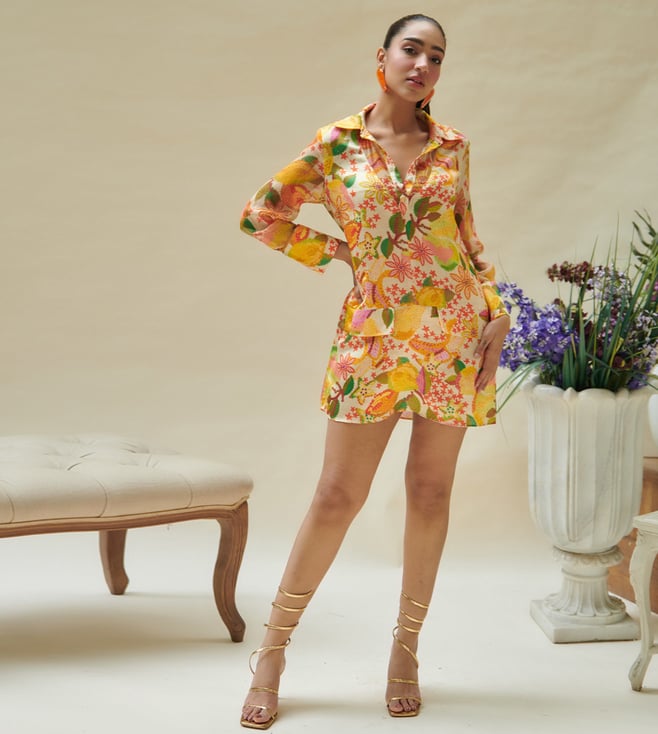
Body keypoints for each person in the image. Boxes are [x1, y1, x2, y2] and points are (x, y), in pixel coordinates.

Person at [238, 13, 510, 728]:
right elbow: (262, 216)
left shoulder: (453, 147)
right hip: (373, 339)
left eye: (436, 57)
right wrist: (340, 252)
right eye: (411, 50)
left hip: (452, 333)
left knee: (430, 492)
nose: (423, 65)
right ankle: (272, 651)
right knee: (336, 495)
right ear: (382, 58)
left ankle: (406, 651)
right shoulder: (336, 145)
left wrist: (498, 309)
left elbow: (468, 240)